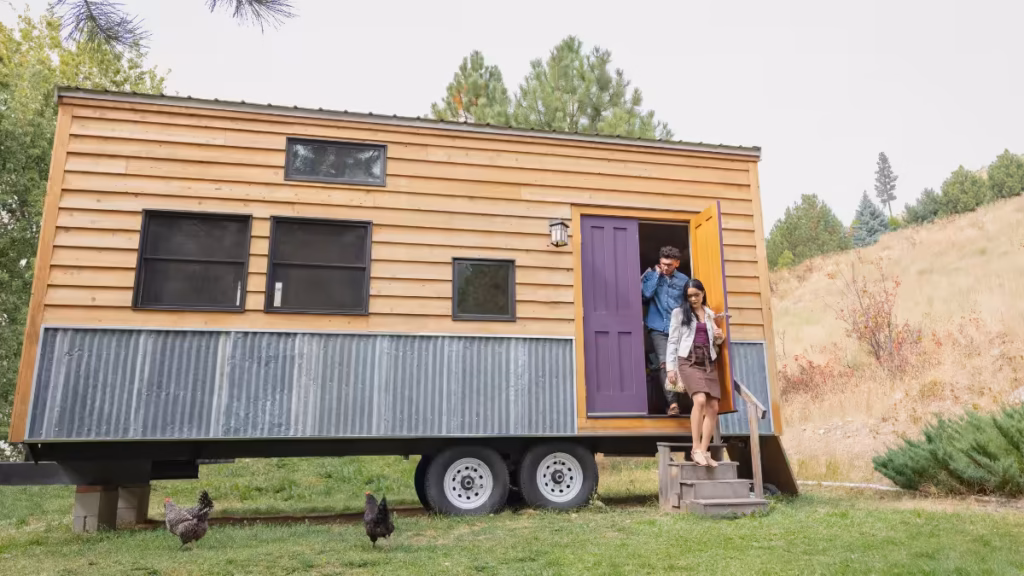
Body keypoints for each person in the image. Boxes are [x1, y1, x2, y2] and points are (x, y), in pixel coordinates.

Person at [665, 279, 726, 467]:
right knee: (699, 400)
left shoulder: (709, 314)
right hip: (688, 360)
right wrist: (670, 368)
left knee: (713, 407)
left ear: (703, 293)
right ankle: (696, 449)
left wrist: (719, 337)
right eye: (689, 296)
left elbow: (716, 342)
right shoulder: (679, 313)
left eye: (696, 295)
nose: (693, 299)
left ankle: (705, 451)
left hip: (708, 361)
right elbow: (672, 340)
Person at [641, 246, 689, 416]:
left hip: (678, 327)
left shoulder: (684, 280)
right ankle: (673, 404)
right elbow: (646, 294)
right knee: (664, 364)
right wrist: (656, 274)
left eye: (669, 265)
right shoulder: (651, 276)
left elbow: (688, 303)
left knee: (679, 363)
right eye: (663, 264)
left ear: (677, 263)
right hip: (657, 328)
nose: (666, 267)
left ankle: (681, 400)